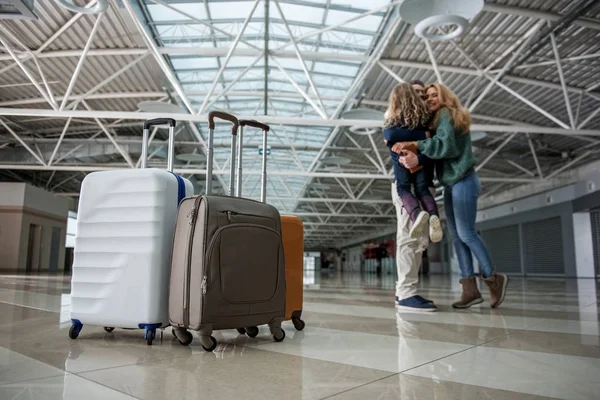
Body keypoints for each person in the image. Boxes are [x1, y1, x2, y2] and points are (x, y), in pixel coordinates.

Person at [394, 83, 509, 309]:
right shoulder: (436, 120)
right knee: (456, 237)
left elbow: (444, 145)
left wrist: (415, 144)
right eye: (427, 97)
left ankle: (494, 279)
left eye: (435, 95)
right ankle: (470, 290)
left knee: (466, 233)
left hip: (463, 179)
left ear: (445, 96)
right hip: (451, 183)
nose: (430, 99)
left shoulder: (447, 114)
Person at [387, 80, 439, 313]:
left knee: (419, 241)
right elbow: (391, 135)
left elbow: (437, 151)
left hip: (426, 185)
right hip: (405, 185)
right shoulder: (397, 116)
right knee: (408, 237)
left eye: (422, 93)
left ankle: (407, 291)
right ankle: (406, 292)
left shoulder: (426, 123)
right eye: (415, 93)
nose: (420, 97)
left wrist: (423, 149)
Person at [383, 83, 443, 243]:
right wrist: (423, 135)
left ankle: (416, 214)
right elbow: (429, 137)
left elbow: (389, 133)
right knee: (422, 189)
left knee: (402, 188)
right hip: (421, 159)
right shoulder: (423, 117)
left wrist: (393, 140)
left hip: (401, 158)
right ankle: (433, 216)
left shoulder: (394, 118)